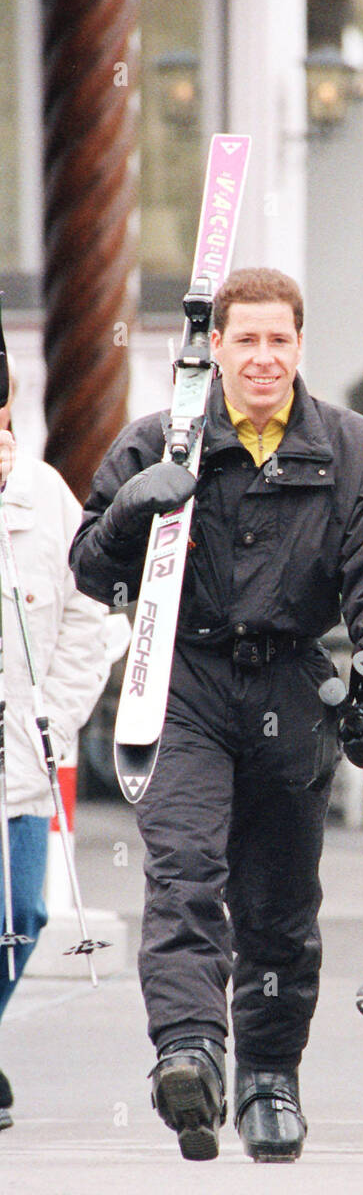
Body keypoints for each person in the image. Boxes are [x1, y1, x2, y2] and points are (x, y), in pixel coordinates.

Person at [69, 267, 363, 1163]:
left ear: (300, 345)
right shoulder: (160, 440)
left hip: (292, 690)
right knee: (184, 874)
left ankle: (270, 1077)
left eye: (279, 339)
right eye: (246, 339)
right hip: (181, 684)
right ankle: (189, 1054)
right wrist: (128, 518)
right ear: (215, 347)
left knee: (278, 902)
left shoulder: (354, 450)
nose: (263, 357)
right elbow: (91, 571)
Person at [0, 357, 110, 1130]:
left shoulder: (42, 496)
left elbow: (87, 614)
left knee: (21, 916)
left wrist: (57, 715)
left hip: (20, 752)